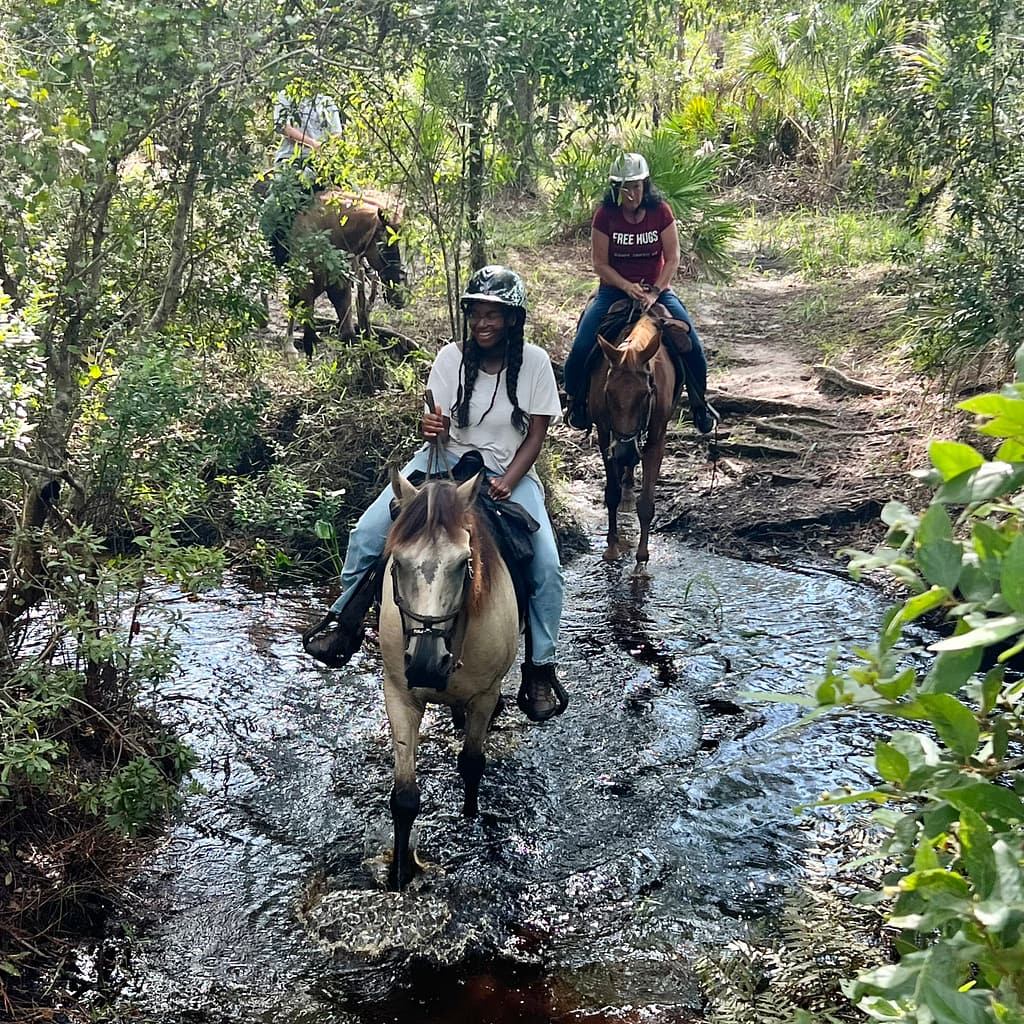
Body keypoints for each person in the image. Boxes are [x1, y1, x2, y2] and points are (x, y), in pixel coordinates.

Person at [328, 265, 568, 723]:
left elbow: (536, 436)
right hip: (439, 464)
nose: (483, 323)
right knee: (366, 532)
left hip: (506, 471)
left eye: (493, 314)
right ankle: (345, 622)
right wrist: (430, 428)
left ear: (512, 318)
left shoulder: (534, 363)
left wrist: (510, 480)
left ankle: (540, 667)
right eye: (476, 313)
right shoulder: (448, 358)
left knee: (548, 566)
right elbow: (433, 424)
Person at [563, 152, 718, 434]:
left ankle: (699, 404)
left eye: (635, 186)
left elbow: (672, 257)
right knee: (582, 346)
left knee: (691, 345)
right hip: (614, 292)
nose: (631, 193)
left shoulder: (661, 212)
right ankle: (576, 402)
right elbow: (600, 263)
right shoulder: (605, 215)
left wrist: (655, 291)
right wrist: (626, 286)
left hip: (657, 292)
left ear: (645, 185)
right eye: (624, 187)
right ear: (615, 189)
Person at [260, 88, 344, 268]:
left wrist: (326, 150)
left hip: (323, 163)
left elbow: (337, 133)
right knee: (272, 207)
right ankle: (267, 255)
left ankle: (365, 258)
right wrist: (313, 144)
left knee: (357, 200)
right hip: (292, 161)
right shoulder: (286, 96)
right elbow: (283, 127)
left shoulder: (327, 101)